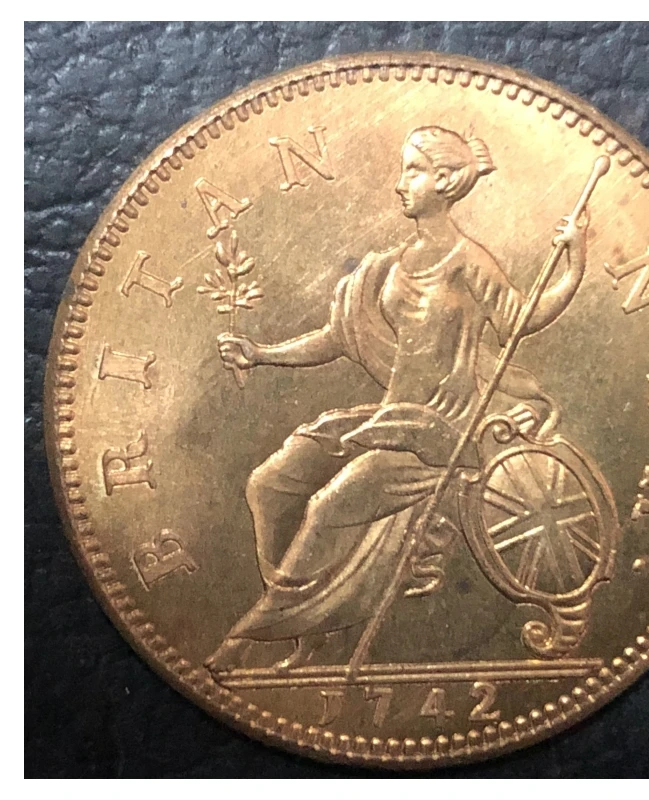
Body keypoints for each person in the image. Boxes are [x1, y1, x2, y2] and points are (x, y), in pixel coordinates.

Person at [206, 126, 588, 674]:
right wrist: (261, 354)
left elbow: (520, 319)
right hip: (392, 419)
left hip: (445, 432)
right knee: (270, 485)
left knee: (329, 506)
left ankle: (253, 636)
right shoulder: (387, 266)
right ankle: (309, 625)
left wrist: (574, 263)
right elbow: (338, 337)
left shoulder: (469, 260)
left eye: (413, 171)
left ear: (446, 181)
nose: (399, 184)